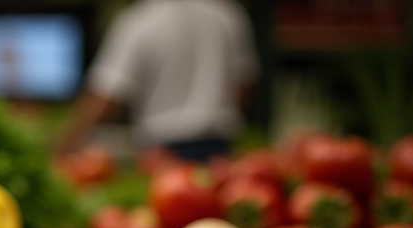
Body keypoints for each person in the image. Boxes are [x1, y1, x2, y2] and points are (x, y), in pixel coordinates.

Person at [53, 0, 260, 163]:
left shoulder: (140, 20)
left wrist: (62, 148)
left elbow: (105, 96)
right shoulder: (228, 14)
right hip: (220, 152)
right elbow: (244, 88)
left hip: (162, 156)